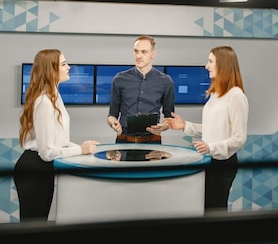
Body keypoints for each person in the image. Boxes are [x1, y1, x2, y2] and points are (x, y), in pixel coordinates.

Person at [13, 49, 99, 222]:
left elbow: (59, 141)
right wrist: (80, 150)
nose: (69, 67)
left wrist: (81, 147)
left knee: (39, 223)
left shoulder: (54, 96)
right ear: (51, 69)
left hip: (41, 169)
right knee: (33, 225)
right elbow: (47, 152)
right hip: (34, 168)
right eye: (63, 64)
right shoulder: (44, 101)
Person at [164, 45, 249, 211]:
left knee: (215, 210)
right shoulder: (216, 94)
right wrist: (185, 126)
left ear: (223, 65)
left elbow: (239, 138)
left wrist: (211, 147)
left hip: (223, 164)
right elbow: (213, 127)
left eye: (210, 61)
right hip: (208, 160)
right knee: (206, 209)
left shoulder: (236, 95)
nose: (206, 66)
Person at [107, 35, 175, 144]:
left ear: (153, 54)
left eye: (144, 52)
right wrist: (114, 124)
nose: (139, 56)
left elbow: (169, 117)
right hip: (124, 141)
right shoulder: (119, 79)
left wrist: (164, 126)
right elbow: (111, 115)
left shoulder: (166, 81)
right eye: (136, 51)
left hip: (152, 143)